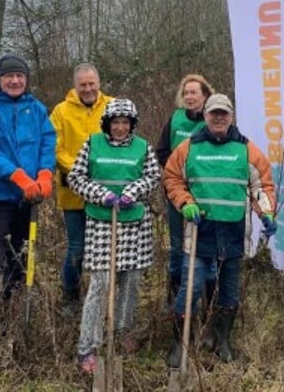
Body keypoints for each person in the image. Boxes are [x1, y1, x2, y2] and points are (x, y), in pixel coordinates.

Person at [163, 93, 277, 365]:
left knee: (229, 291)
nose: (218, 117)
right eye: (214, 113)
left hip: (235, 232)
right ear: (206, 116)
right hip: (200, 230)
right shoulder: (189, 147)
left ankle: (223, 340)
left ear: (231, 117)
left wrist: (267, 212)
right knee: (190, 289)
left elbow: (261, 186)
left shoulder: (247, 149)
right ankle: (181, 343)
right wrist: (185, 202)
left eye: (223, 113)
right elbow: (172, 178)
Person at [0, 53, 56, 359]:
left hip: (29, 198)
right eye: (9, 76)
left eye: (20, 76)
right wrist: (16, 176)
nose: (15, 81)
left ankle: (15, 322)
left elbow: (47, 141)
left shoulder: (36, 108)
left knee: (22, 261)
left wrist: (45, 172)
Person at [67, 99, 161, 374]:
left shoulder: (142, 147)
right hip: (101, 221)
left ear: (132, 124)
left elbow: (153, 176)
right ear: (107, 123)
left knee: (131, 281)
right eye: (116, 122)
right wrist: (102, 194)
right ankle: (88, 345)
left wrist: (134, 191)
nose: (120, 127)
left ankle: (122, 330)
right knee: (101, 283)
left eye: (125, 122)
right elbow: (76, 177)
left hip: (134, 224)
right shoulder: (93, 143)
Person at [50, 63, 112, 316]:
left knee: (107, 248)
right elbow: (56, 148)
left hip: (106, 193)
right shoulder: (60, 112)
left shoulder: (112, 106)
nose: (87, 89)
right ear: (75, 86)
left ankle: (104, 299)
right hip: (73, 192)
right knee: (77, 248)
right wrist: (79, 171)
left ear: (99, 83)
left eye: (91, 84)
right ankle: (71, 298)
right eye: (82, 85)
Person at [154, 74, 214, 307]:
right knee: (177, 247)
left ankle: (207, 299)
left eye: (194, 92)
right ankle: (176, 294)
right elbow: (162, 151)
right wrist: (178, 176)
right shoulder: (175, 119)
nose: (189, 97)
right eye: (186, 93)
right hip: (176, 194)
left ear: (205, 95)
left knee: (203, 246)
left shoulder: (213, 119)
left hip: (205, 194)